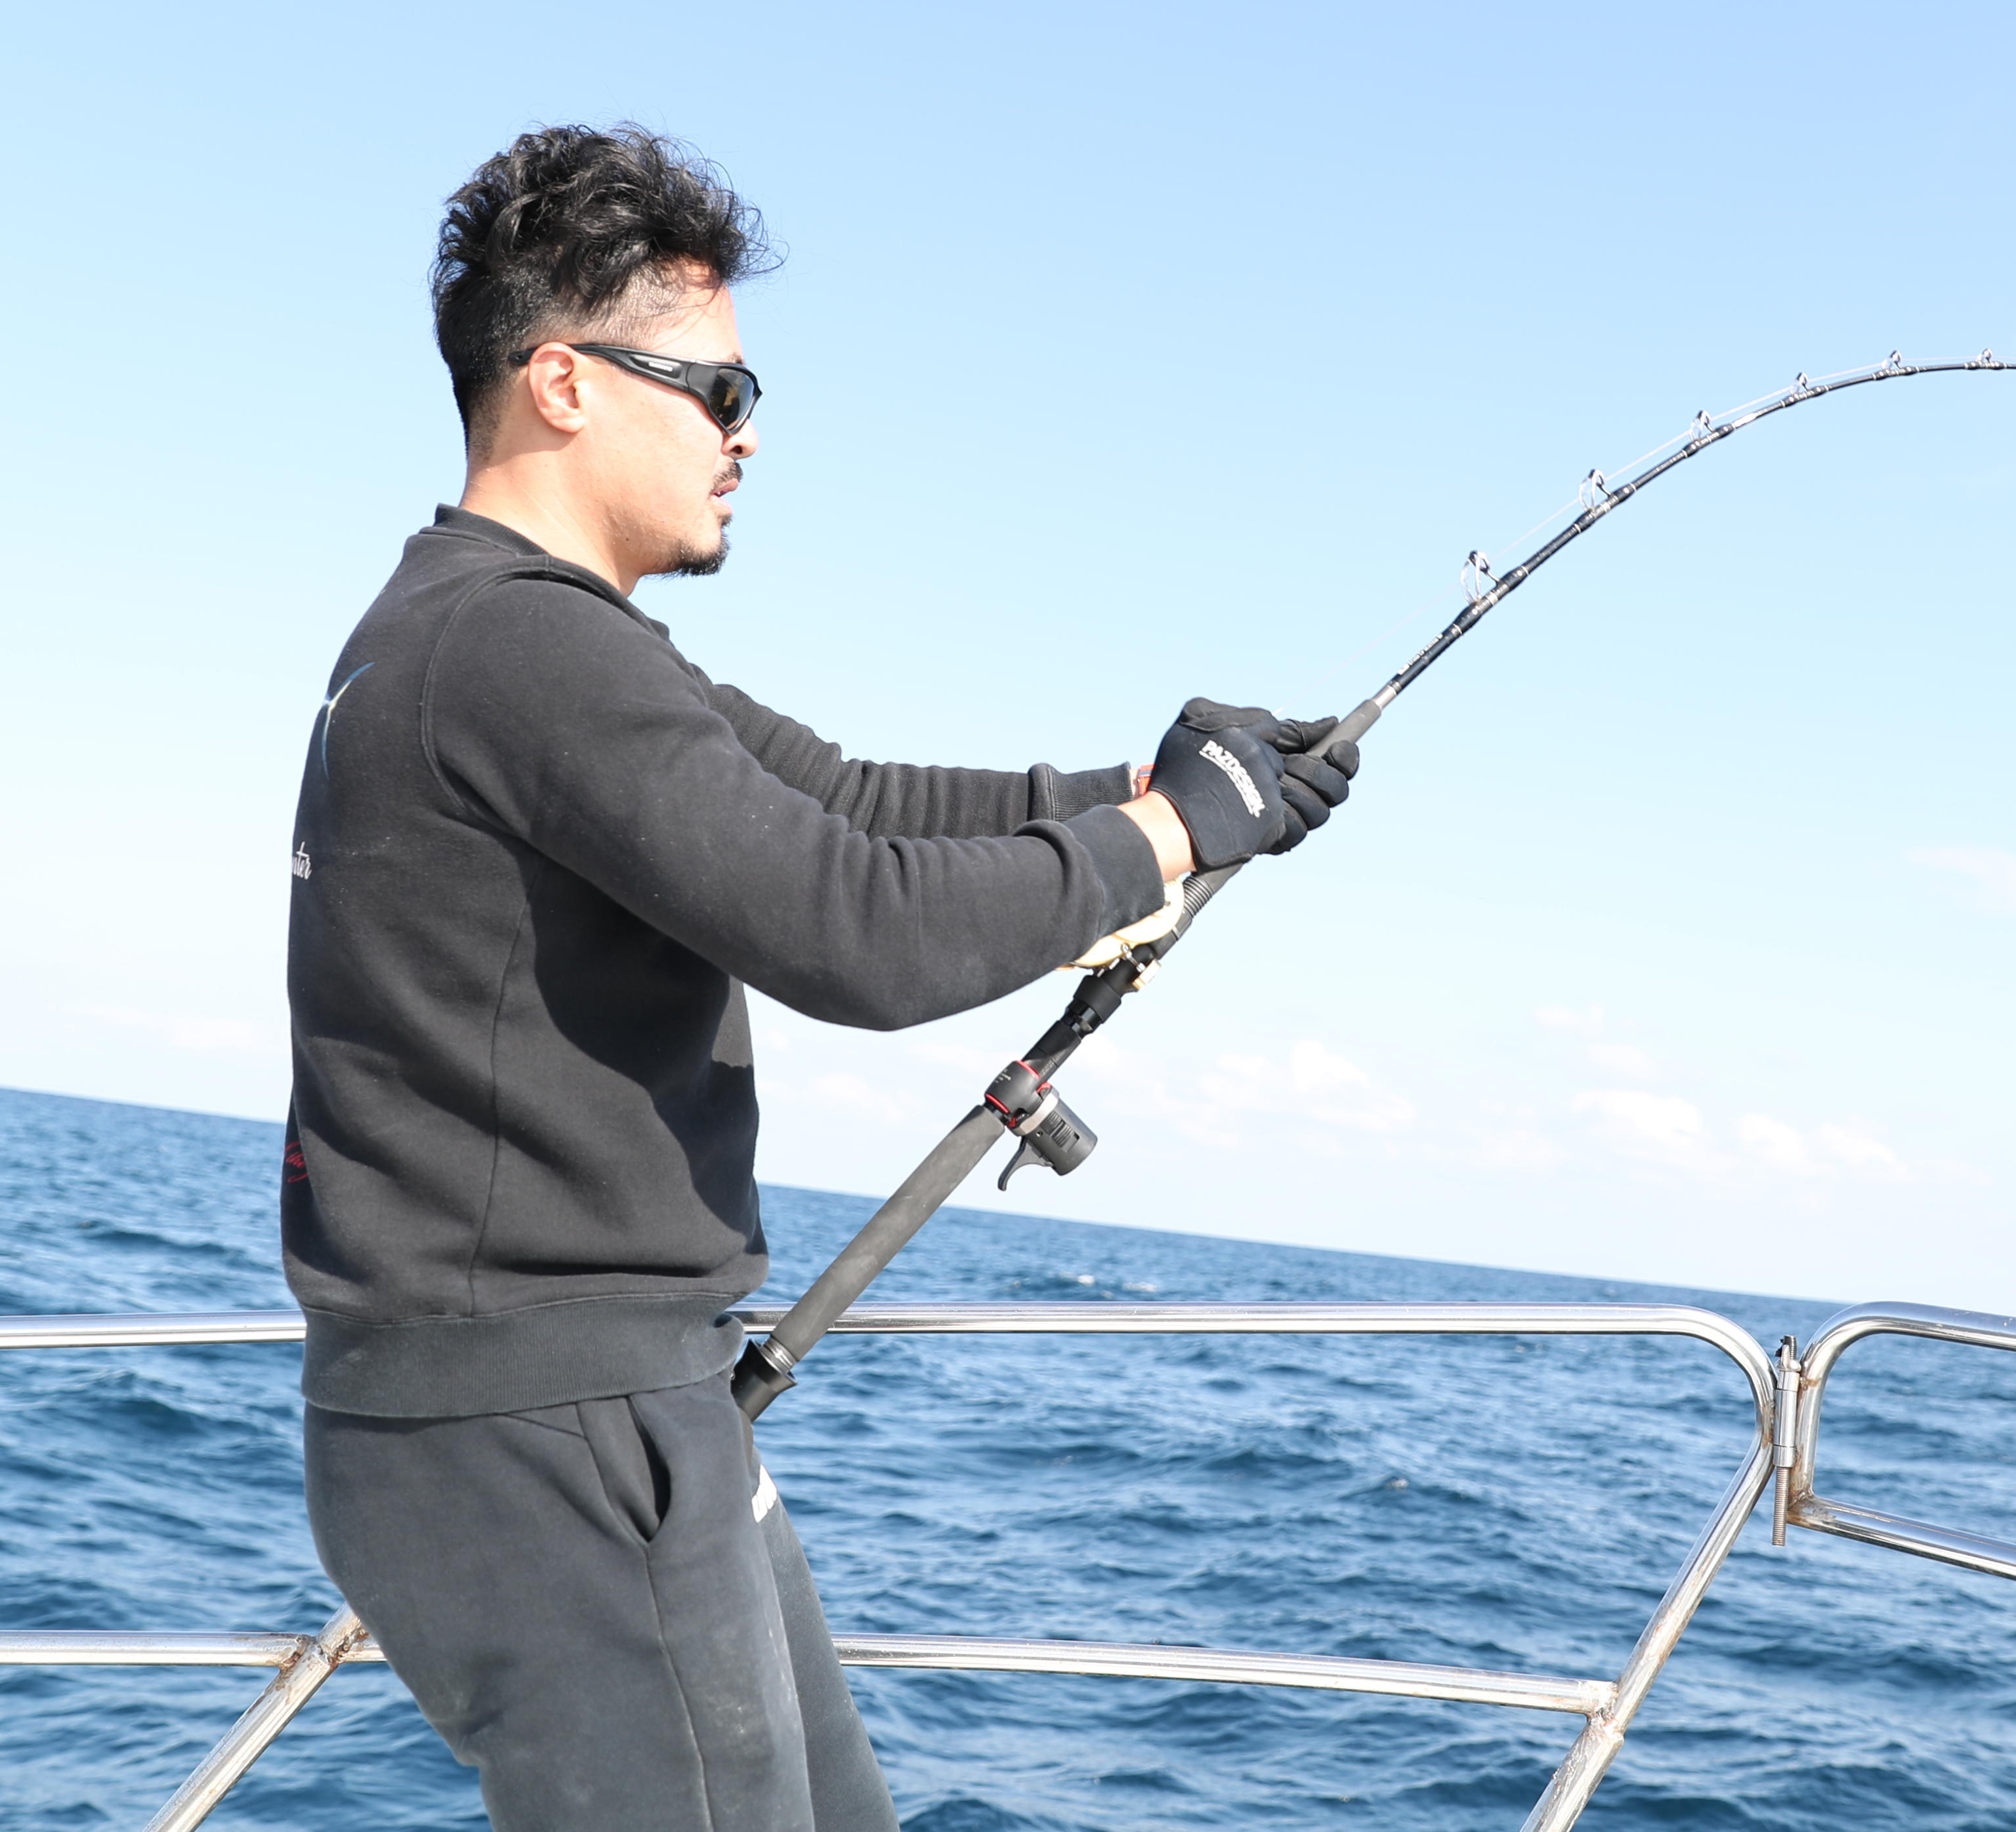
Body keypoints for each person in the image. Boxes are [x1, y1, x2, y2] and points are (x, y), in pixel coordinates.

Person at [281, 123, 1353, 1831]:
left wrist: (1156, 793)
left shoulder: (524, 643)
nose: (748, 432)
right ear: (562, 382)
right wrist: (1163, 849)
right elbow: (849, 924)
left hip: (609, 1404)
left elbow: (841, 802)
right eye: (716, 386)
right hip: (545, 1424)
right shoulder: (513, 646)